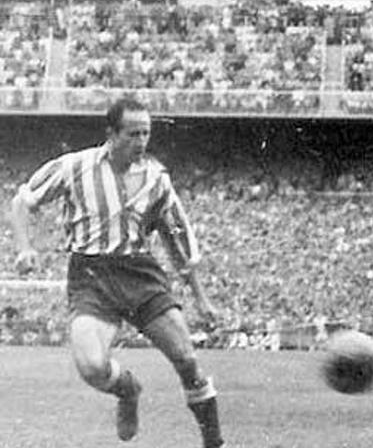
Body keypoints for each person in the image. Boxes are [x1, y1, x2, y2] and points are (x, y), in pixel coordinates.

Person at [9, 97, 225, 447]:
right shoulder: (74, 167)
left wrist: (201, 298)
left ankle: (214, 442)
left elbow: (177, 240)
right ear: (111, 133)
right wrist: (25, 249)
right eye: (133, 134)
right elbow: (22, 201)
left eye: (146, 133)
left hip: (140, 273)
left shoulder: (156, 179)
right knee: (92, 367)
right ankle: (128, 391)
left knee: (186, 358)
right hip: (90, 277)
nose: (141, 142)